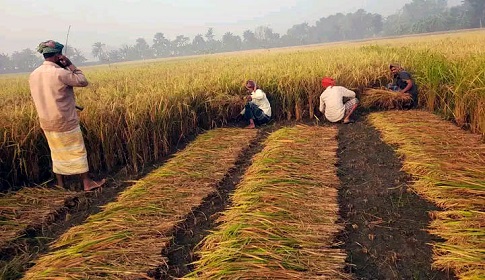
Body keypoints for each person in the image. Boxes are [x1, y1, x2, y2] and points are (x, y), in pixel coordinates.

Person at [29, 40, 105, 192]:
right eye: (60, 54)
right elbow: (82, 81)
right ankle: (87, 182)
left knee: (56, 152)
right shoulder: (61, 73)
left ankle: (61, 185)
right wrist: (70, 65)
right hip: (64, 120)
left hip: (46, 121)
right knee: (77, 150)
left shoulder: (34, 74)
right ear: (58, 56)